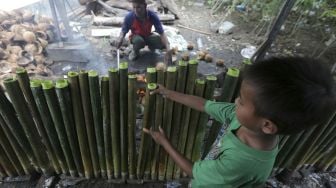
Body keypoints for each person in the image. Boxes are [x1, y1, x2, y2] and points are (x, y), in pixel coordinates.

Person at [144, 57, 336, 187]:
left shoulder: (241, 162)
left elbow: (193, 171)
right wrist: (167, 93)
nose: (236, 101)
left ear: (267, 125)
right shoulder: (245, 120)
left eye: (242, 101)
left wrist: (164, 142)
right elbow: (205, 105)